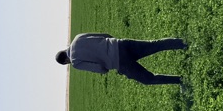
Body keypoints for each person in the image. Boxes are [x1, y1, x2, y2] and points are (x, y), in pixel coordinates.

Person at [55, 33, 186, 86]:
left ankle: (181, 80)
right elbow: (104, 35)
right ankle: (185, 43)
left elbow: (99, 68)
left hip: (119, 62)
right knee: (155, 45)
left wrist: (107, 68)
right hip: (120, 44)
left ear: (66, 61)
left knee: (149, 79)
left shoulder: (76, 62)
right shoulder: (77, 38)